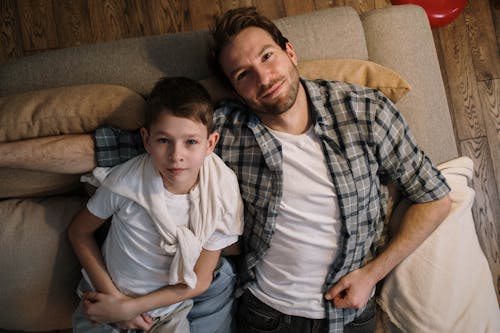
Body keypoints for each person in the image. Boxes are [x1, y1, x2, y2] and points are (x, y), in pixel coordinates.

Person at [0, 7, 452, 333]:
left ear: (290, 52)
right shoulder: (223, 134)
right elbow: (104, 149)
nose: (262, 77)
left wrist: (372, 274)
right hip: (266, 314)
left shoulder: (365, 110)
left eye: (267, 57)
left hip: (352, 312)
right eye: (242, 75)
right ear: (234, 89)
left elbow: (435, 196)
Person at [68, 77, 243, 333]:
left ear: (210, 143)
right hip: (105, 297)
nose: (176, 156)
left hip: (168, 310)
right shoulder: (125, 183)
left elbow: (202, 279)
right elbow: (78, 232)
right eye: (164, 140)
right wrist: (117, 305)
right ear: (146, 140)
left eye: (190, 142)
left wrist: (132, 308)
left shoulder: (222, 190)